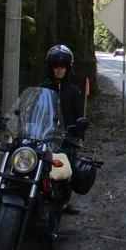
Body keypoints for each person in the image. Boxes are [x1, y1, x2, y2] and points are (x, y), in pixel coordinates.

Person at [40, 44, 89, 214]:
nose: (59, 70)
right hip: (45, 134)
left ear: (68, 69)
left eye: (63, 67)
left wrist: (79, 132)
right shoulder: (43, 89)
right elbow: (36, 111)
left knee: (66, 168)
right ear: (51, 68)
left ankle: (65, 201)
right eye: (56, 67)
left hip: (67, 136)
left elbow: (78, 114)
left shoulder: (73, 90)